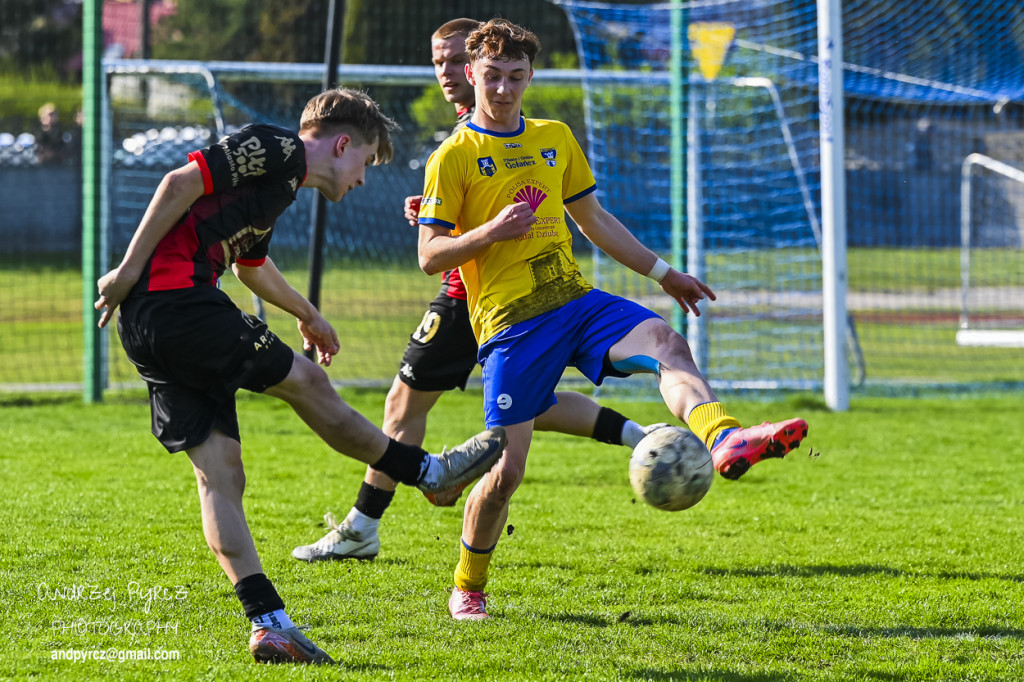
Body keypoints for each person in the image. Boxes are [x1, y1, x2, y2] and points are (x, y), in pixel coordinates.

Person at [93, 87, 506, 663]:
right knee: (309, 385)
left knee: (220, 477)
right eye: (364, 161)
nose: (362, 179)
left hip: (149, 326)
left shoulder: (277, 186)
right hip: (177, 301)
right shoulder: (278, 146)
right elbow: (178, 183)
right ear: (342, 144)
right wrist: (127, 271)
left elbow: (250, 264)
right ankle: (426, 471)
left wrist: (308, 315)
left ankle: (268, 623)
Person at [415, 19, 810, 620]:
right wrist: (493, 231)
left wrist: (663, 273)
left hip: (575, 301)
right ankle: (468, 583)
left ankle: (725, 436)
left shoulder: (554, 137)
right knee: (504, 473)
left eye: (515, 78)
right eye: (491, 77)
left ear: (529, 78)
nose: (502, 90)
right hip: (510, 325)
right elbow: (428, 255)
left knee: (665, 340)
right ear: (471, 75)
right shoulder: (453, 157)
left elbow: (593, 220)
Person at [292, 18, 669, 564]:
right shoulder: (466, 133)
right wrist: (434, 215)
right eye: (436, 62)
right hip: (478, 286)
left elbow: (537, 209)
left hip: (477, 295)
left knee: (408, 405)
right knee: (525, 404)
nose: (444, 73)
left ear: (483, 68)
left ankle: (363, 526)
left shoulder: (508, 126)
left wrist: (465, 229)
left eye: (451, 62)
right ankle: (640, 435)